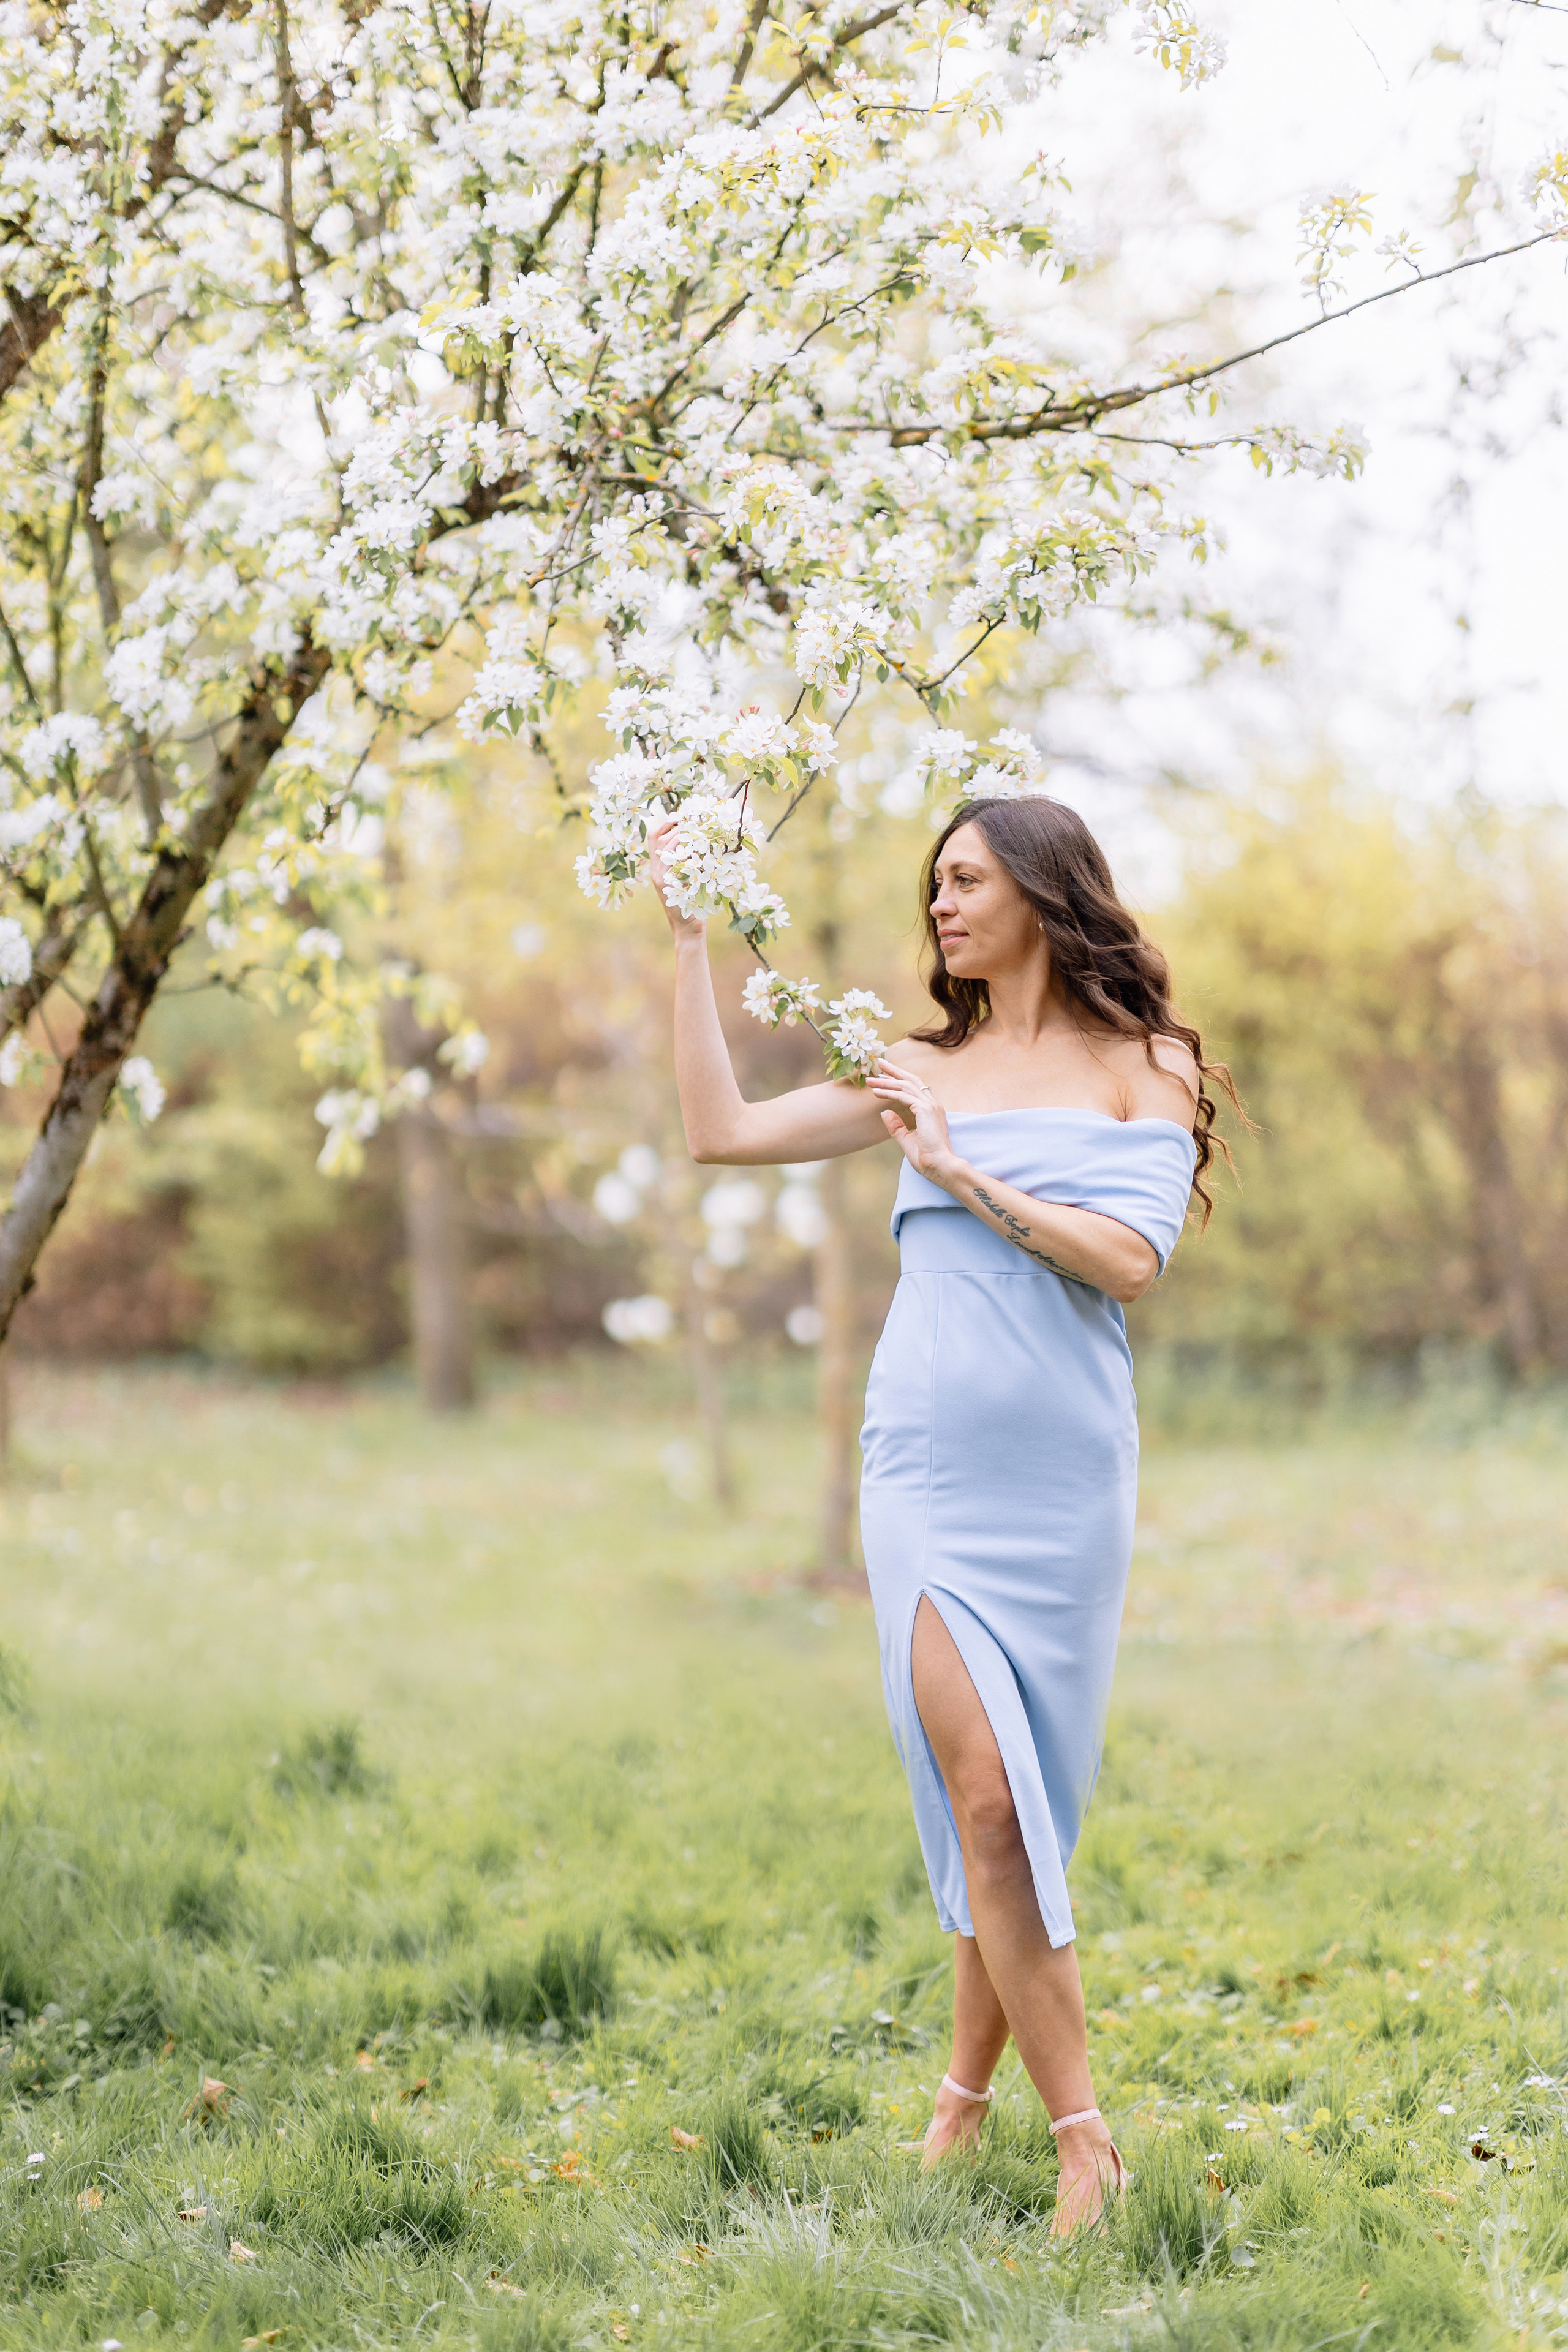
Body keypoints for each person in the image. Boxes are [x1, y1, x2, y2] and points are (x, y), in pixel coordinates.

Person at [648, 792, 1233, 2232]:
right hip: (922, 1465)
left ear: (1042, 890)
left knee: (1016, 1810)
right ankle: (1087, 2142)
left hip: (1067, 1476)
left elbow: (1127, 1262)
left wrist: (963, 1177)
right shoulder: (913, 1066)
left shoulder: (1142, 1064)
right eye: (933, 887)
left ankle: (960, 2106)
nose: (942, 907)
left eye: (966, 880)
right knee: (982, 1790)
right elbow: (718, 1132)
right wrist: (681, 939)